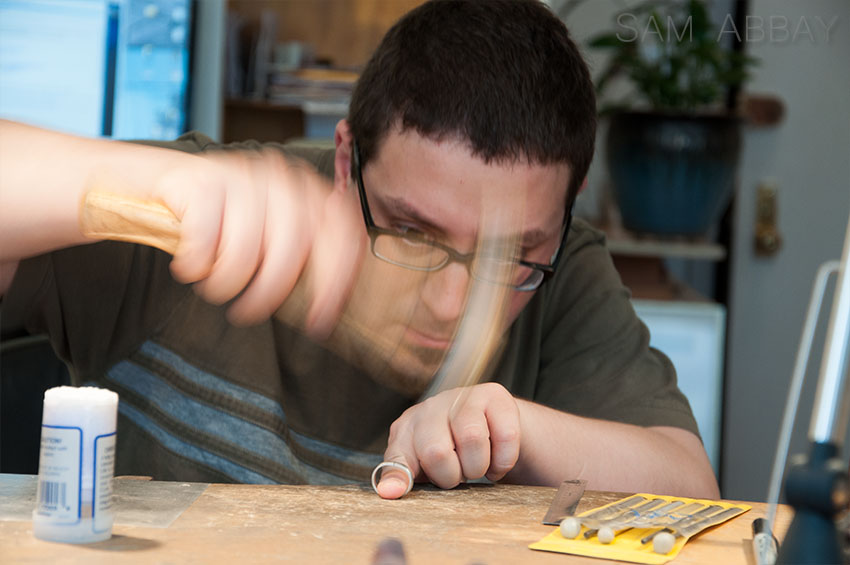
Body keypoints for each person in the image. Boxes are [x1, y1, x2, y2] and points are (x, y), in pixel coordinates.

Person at [0, 0, 719, 500]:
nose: (451, 304)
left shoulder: (566, 268)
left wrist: (520, 427)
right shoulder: (183, 211)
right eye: (411, 231)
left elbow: (693, 489)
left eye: (512, 256)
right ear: (347, 161)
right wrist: (135, 176)